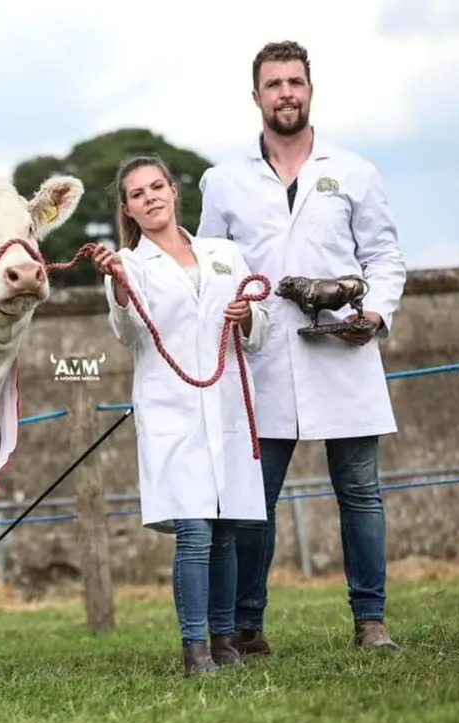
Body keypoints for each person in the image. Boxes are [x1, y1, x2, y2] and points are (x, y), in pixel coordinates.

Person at [196, 40, 408, 653]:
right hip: (261, 359)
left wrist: (374, 313)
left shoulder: (355, 171)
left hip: (344, 351)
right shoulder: (223, 181)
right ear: (256, 96)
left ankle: (370, 621)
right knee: (253, 501)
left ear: (310, 90)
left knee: (360, 493)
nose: (285, 93)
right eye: (274, 84)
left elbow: (384, 257)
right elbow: (212, 267)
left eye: (294, 82)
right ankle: (247, 626)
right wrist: (233, 315)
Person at [92, 153, 271, 678]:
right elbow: (127, 331)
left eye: (156, 187)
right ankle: (195, 648)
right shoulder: (129, 265)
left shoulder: (224, 253)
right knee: (194, 528)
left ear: (173, 190)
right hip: (171, 410)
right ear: (127, 208)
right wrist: (118, 285)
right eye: (137, 194)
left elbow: (259, 332)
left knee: (225, 528)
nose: (150, 198)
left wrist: (247, 316)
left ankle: (225, 639)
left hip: (226, 403)